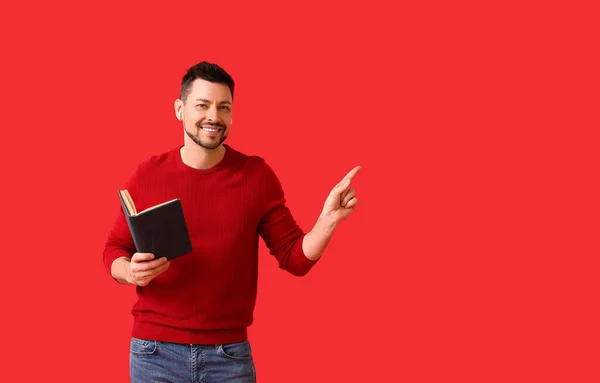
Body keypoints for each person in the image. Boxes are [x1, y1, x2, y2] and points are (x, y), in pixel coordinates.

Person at [103, 61, 360, 382]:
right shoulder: (146, 174)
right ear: (179, 109)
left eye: (223, 107)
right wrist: (129, 271)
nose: (214, 116)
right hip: (155, 353)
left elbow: (294, 258)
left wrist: (328, 220)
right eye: (203, 105)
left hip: (228, 356)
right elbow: (114, 249)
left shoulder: (256, 176)